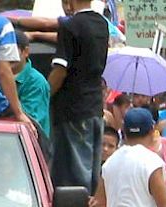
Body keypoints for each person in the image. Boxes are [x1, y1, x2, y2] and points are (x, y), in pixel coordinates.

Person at [47, 0, 111, 190]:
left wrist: (44, 95)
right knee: (91, 177)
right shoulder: (102, 24)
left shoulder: (70, 26)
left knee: (73, 181)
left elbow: (60, 70)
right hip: (94, 108)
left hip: (72, 111)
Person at [12, 34, 53, 140]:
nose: (7, 56)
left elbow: (29, 121)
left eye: (12, 51)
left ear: (25, 52)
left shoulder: (36, 82)